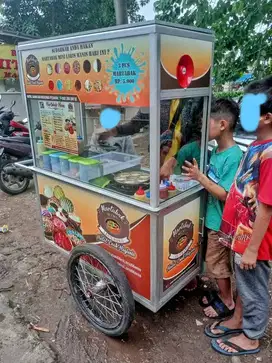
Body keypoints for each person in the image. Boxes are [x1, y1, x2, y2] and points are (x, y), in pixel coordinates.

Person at [205, 76, 272, 357]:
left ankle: (252, 336)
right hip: (242, 234)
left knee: (254, 287)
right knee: (244, 283)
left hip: (256, 242)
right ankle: (238, 319)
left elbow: (267, 207)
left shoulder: (269, 154)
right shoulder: (256, 145)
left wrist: (253, 250)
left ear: (267, 117)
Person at [182, 99, 243, 318]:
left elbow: (226, 195)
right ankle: (223, 294)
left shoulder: (233, 156)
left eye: (208, 124)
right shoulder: (217, 151)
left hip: (221, 222)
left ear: (223, 125)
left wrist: (200, 177)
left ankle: (227, 302)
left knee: (217, 264)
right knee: (214, 261)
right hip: (212, 219)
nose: (203, 129)